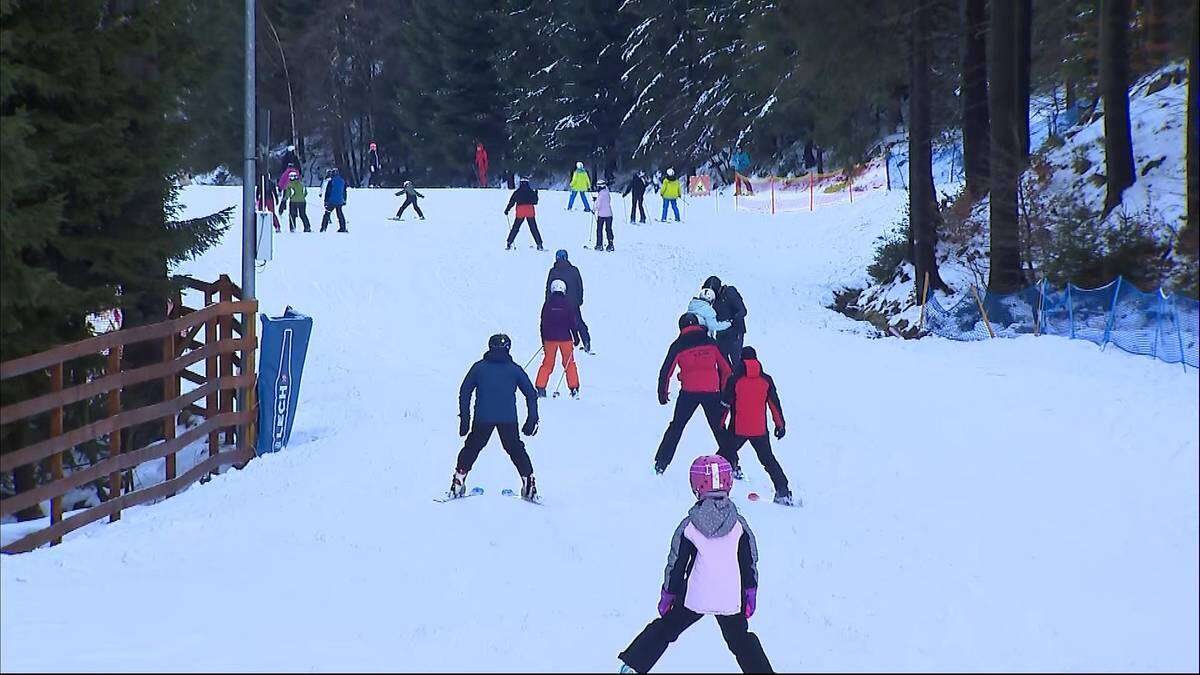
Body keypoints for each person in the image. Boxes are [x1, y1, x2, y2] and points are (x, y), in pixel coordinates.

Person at [617, 454, 773, 674]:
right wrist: (750, 591)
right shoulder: (739, 526)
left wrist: (668, 595)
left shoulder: (690, 526)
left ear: (696, 487)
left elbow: (677, 563)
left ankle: (632, 666)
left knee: (665, 629)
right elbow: (749, 561)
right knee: (741, 641)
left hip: (695, 597)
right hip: (730, 598)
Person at [451, 333, 540, 501]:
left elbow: (465, 392)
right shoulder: (514, 369)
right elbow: (531, 394)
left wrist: (465, 419)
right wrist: (532, 419)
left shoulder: (479, 367)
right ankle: (529, 484)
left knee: (472, 447)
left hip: (482, 417)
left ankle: (459, 479)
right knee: (515, 449)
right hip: (508, 418)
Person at [654, 313, 732, 474]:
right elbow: (727, 369)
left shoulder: (678, 345)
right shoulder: (711, 342)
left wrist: (663, 393)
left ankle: (661, 463)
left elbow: (665, 371)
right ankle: (733, 463)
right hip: (712, 391)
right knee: (719, 428)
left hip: (689, 393)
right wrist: (724, 391)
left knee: (676, 426)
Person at [718, 347, 792, 505]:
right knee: (768, 460)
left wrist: (721, 422)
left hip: (738, 428)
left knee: (722, 458)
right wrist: (780, 425)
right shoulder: (766, 380)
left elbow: (726, 403)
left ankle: (715, 489)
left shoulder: (734, 380)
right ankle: (783, 491)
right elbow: (774, 405)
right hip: (759, 430)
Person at [534, 280, 580, 398]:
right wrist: (576, 337)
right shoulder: (567, 304)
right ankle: (574, 388)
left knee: (547, 363)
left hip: (550, 339)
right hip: (566, 338)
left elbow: (543, 323)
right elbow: (572, 322)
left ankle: (540, 387)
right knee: (569, 363)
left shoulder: (547, 304)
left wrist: (543, 340)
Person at [546, 249, 591, 353]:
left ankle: (572, 341)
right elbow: (579, 286)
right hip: (573, 302)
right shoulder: (574, 270)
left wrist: (548, 302)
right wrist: (580, 299)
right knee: (578, 321)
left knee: (562, 322)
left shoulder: (553, 271)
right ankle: (585, 341)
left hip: (558, 302)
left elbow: (549, 288)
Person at [702, 276, 748, 367]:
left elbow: (742, 311)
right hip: (721, 333)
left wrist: (732, 321)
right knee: (721, 361)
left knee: (735, 360)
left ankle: (737, 378)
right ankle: (725, 379)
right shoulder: (712, 300)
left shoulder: (730, 292)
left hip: (735, 332)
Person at [503, 176, 544, 250]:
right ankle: (539, 244)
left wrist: (507, 210)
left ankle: (509, 243)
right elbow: (535, 202)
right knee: (533, 228)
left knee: (515, 228)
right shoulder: (531, 191)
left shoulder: (517, 192)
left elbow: (512, 202)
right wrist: (536, 194)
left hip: (520, 212)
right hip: (529, 211)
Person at [320, 168, 348, 233]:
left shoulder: (331, 181)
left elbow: (328, 192)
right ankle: (343, 228)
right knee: (340, 214)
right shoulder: (342, 180)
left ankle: (323, 228)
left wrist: (325, 201)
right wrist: (344, 200)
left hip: (331, 201)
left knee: (327, 214)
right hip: (340, 201)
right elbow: (344, 191)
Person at [594, 180, 615, 251]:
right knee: (608, 229)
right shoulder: (607, 191)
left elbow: (598, 205)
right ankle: (611, 244)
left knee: (599, 230)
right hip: (609, 214)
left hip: (601, 215)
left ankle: (599, 245)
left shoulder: (601, 194)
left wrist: (594, 209)